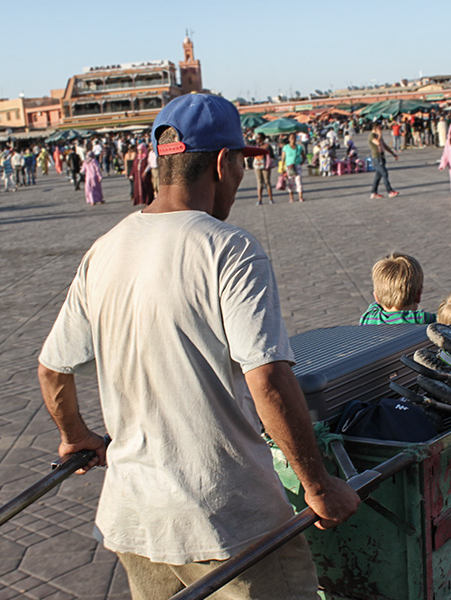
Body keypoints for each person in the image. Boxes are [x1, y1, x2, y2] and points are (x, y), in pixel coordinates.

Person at [37, 93, 359, 600]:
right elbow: (268, 379)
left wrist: (76, 435)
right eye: (239, 164)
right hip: (228, 522)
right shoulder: (228, 249)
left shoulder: (105, 250)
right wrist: (318, 487)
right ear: (221, 163)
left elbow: (53, 369)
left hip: (136, 519)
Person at [359, 252, 436, 325]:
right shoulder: (420, 319)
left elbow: (376, 303)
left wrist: (383, 296)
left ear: (376, 297)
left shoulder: (368, 318)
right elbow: (444, 319)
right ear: (418, 295)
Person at [368, 123, 399, 199]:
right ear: (375, 128)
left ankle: (373, 192)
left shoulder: (378, 136)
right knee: (384, 173)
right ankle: (390, 191)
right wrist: (380, 135)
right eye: (380, 128)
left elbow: (384, 145)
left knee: (378, 176)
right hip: (377, 157)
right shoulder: (371, 136)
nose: (381, 130)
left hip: (382, 157)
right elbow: (378, 143)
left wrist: (393, 154)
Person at [253, 133, 276, 205]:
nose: (258, 139)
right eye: (257, 138)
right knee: (259, 183)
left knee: (267, 182)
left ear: (263, 139)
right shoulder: (255, 146)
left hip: (266, 165)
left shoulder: (267, 146)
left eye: (259, 138)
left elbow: (272, 155)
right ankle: (259, 200)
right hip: (257, 165)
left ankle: (271, 199)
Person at [282, 132, 306, 202]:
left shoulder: (299, 147)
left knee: (299, 182)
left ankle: (300, 197)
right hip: (289, 167)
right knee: (290, 182)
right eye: (291, 137)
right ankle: (291, 197)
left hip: (297, 166)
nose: (293, 139)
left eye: (294, 137)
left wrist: (301, 163)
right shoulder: (285, 147)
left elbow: (304, 156)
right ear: (289, 139)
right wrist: (282, 168)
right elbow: (283, 158)